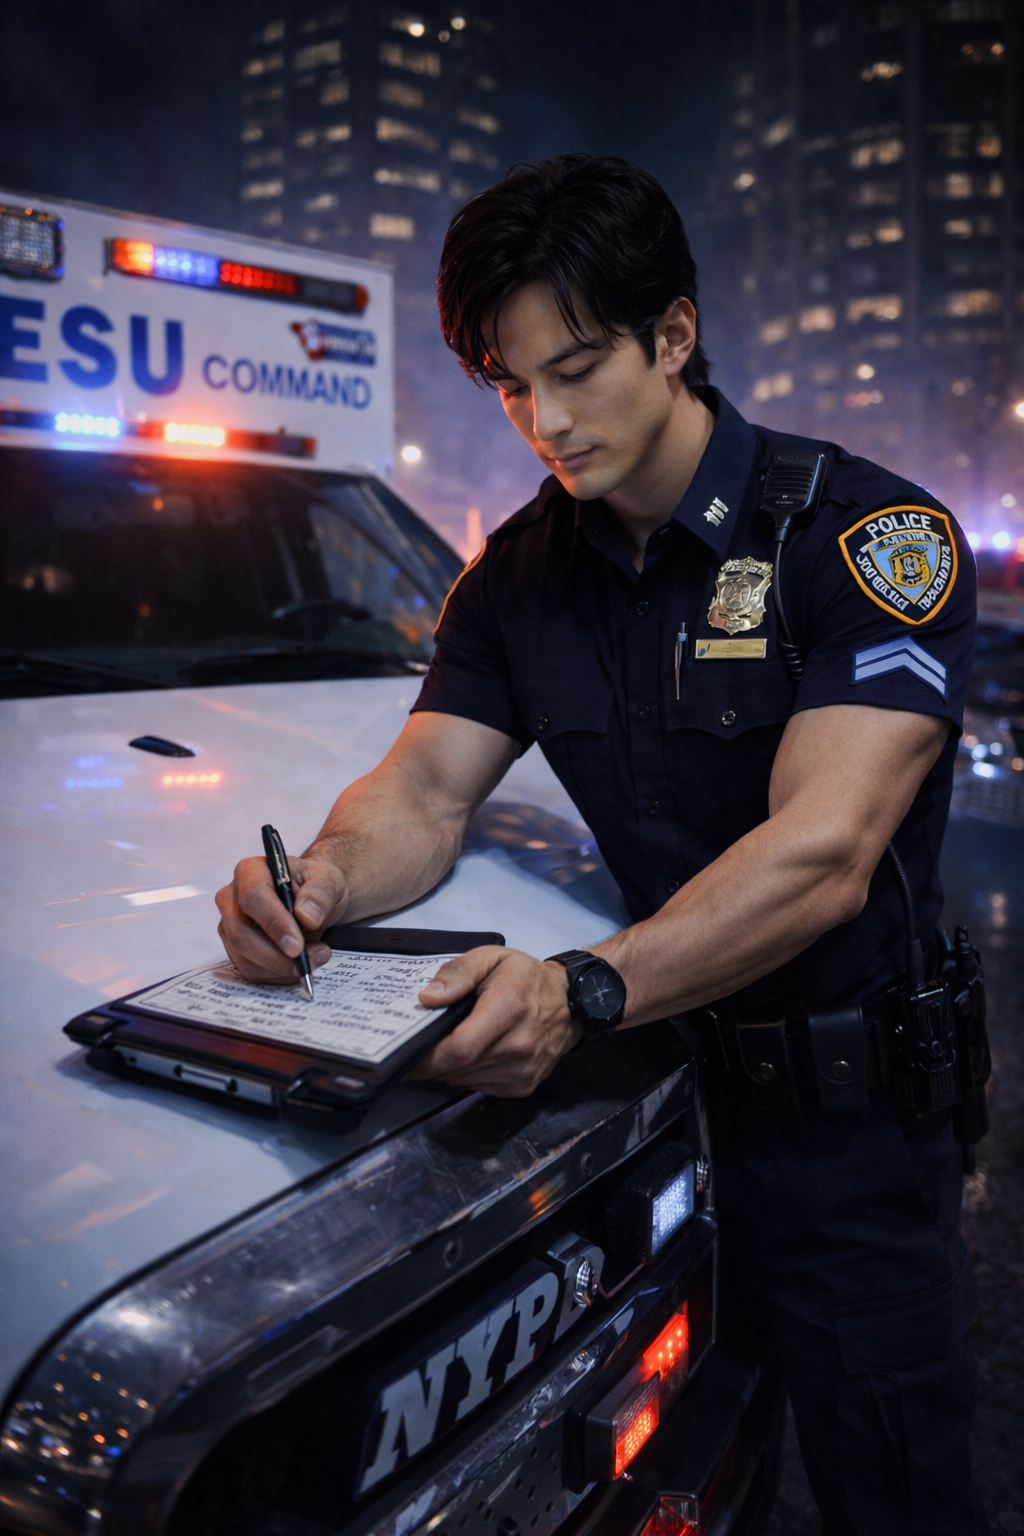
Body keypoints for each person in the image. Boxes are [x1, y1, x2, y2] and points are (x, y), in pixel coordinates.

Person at [216, 155, 984, 1535]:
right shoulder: (517, 575)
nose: (543, 422)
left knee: (895, 1491)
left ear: (674, 334)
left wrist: (582, 987)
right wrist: (317, 880)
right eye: (509, 387)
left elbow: (826, 851)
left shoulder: (868, 538)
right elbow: (423, 795)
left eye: (575, 370)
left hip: (851, 1141)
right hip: (659, 1123)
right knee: (681, 1473)